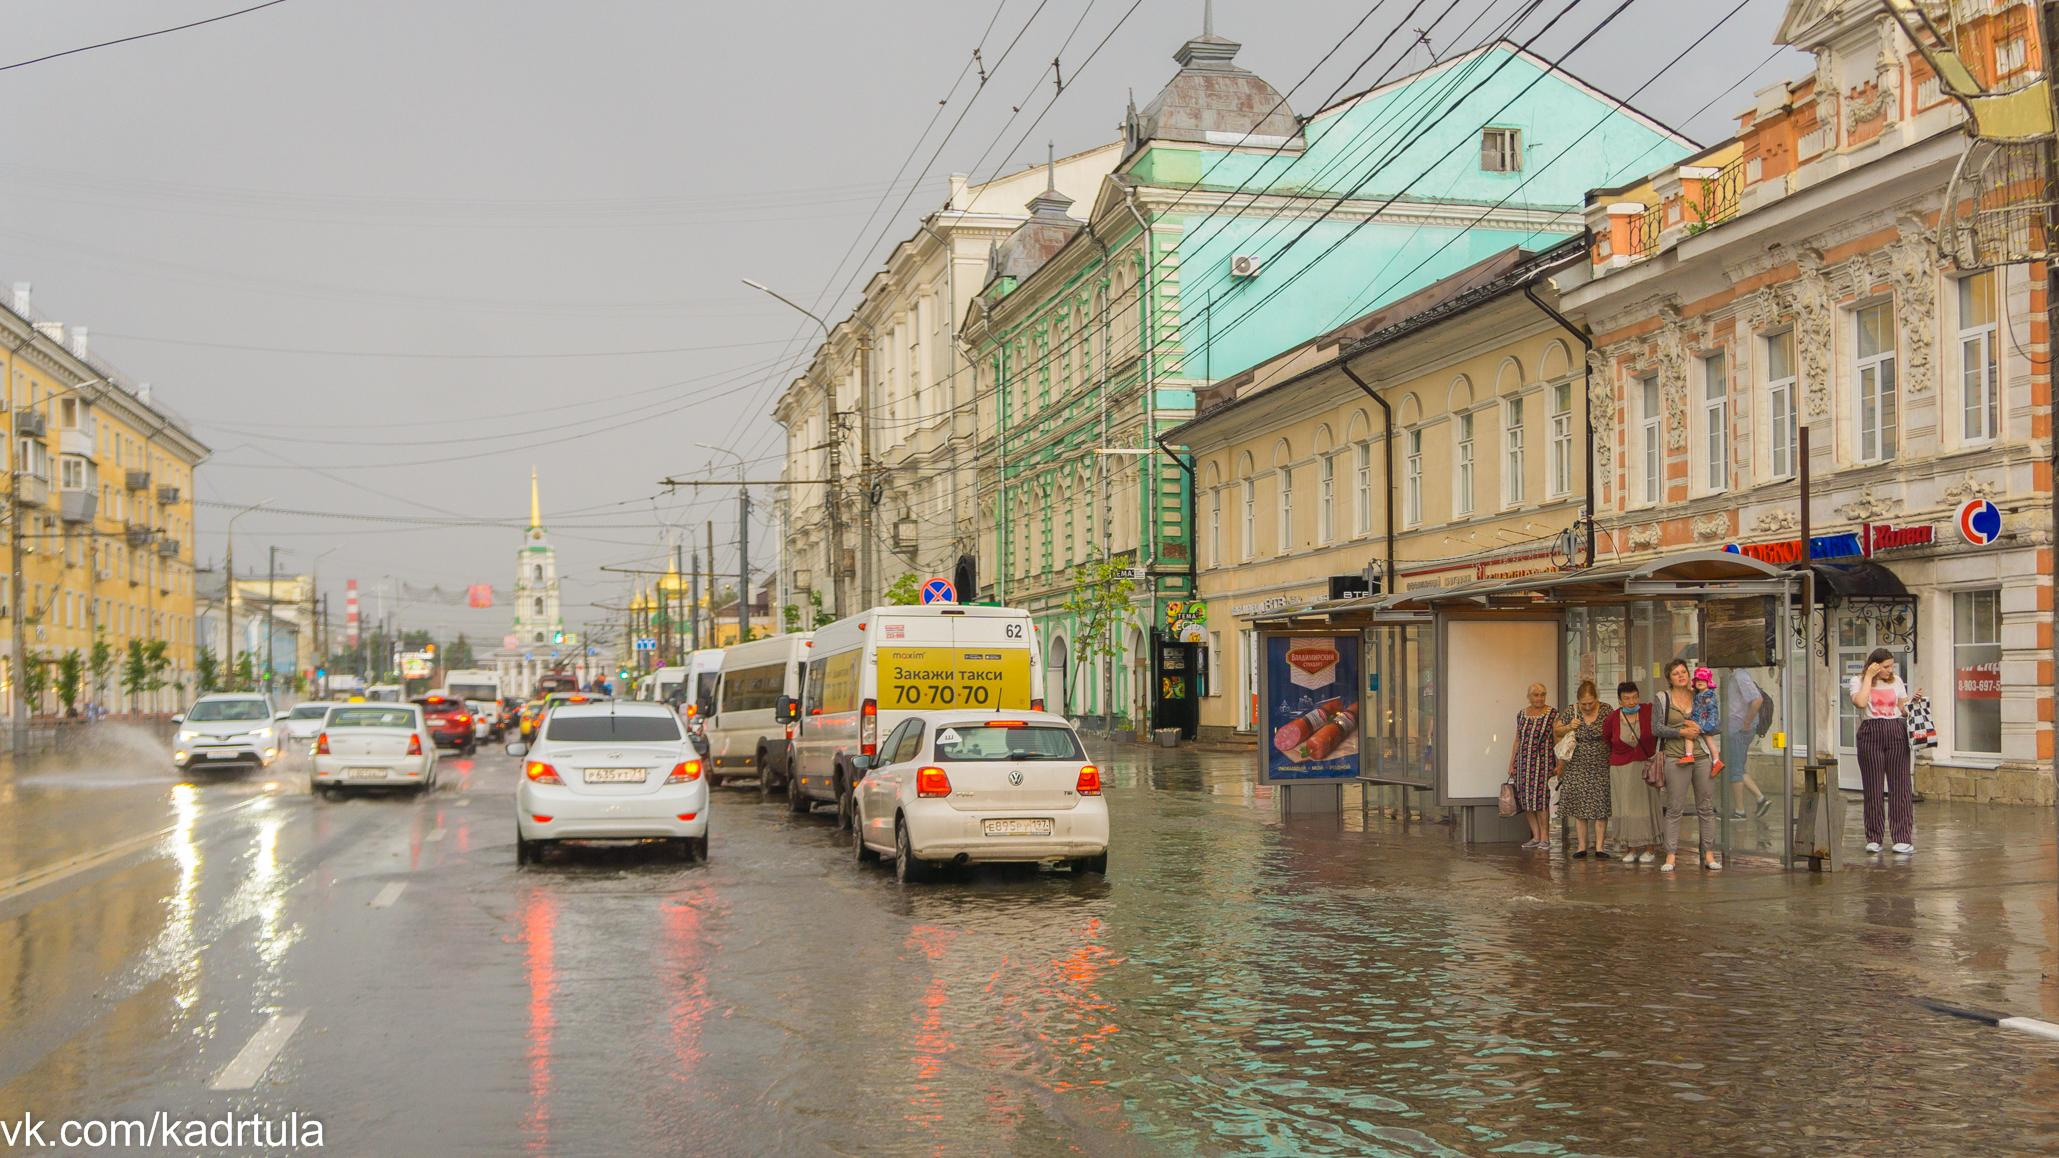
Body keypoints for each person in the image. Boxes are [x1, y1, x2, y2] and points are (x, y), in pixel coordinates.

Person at [1653, 658, 1720, 872]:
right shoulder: (1662, 698)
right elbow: (1656, 728)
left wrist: (1701, 728)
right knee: (1674, 807)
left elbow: (1714, 723)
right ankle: (1671, 856)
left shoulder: (1700, 695)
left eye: (1684, 672)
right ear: (1669, 678)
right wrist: (1681, 732)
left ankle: (1709, 854)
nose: (1681, 675)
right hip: (1675, 757)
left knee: (1706, 807)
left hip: (1701, 756)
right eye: (1676, 673)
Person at [1850, 648, 1916, 855]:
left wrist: (1914, 702)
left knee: (1901, 785)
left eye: (1892, 665)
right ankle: (1874, 838)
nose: (1890, 670)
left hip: (1896, 730)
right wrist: (1869, 677)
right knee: (1873, 787)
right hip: (1871, 732)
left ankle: (1902, 838)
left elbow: (1903, 709)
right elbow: (1860, 703)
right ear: (1874, 665)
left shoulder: (1896, 681)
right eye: (1886, 666)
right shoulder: (1858, 680)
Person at [1553, 679, 1612, 858]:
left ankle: (1600, 846)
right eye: (1583, 703)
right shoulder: (1572, 710)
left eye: (1590, 703)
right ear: (1578, 701)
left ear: (1597, 699)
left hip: (1601, 762)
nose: (1587, 707)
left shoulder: (1606, 709)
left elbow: (1614, 731)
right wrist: (1569, 726)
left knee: (1600, 805)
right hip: (1577, 763)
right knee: (1580, 806)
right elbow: (1557, 730)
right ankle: (1581, 846)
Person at [1604, 680, 1661, 863]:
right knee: (1625, 807)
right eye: (1626, 698)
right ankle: (1630, 848)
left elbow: (1657, 731)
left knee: (1646, 806)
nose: (1631, 701)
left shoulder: (1648, 711)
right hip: (1620, 768)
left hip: (1644, 767)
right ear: (1620, 700)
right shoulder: (1612, 718)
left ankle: (1650, 847)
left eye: (1634, 697)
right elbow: (1607, 738)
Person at [1507, 682, 1559, 850]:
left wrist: (1558, 763)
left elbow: (1557, 739)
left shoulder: (1552, 714)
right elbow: (1518, 739)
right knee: (1525, 800)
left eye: (1543, 694)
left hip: (1543, 763)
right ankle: (1535, 836)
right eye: (1536, 695)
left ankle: (1545, 837)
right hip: (1523, 762)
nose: (1539, 698)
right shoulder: (1521, 715)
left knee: (1541, 800)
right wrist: (1511, 763)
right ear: (1529, 697)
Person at [1721, 668, 1773, 820]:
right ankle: (1760, 799)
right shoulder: (1733, 676)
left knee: (1735, 770)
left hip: (1738, 729)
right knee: (1737, 768)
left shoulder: (1740, 675)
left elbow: (1757, 700)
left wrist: (1747, 722)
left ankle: (1740, 811)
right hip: (1735, 728)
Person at [1680, 666, 1722, 773]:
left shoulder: (1708, 695)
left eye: (1703, 680)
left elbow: (1713, 711)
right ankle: (1716, 761)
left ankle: (1690, 755)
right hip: (1699, 720)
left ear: (1708, 681)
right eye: (1698, 680)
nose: (1700, 682)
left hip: (1703, 722)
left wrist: (1710, 724)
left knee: (1691, 735)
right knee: (1708, 740)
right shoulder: (1699, 694)